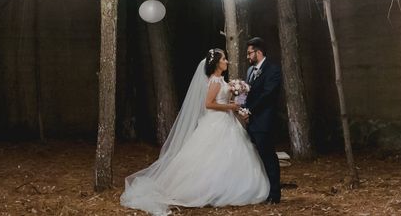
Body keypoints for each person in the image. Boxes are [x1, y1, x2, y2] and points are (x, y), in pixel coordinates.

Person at [120, 49, 269, 216]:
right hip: (215, 123)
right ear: (216, 63)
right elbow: (209, 104)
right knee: (211, 158)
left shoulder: (223, 81)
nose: (227, 62)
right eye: (224, 59)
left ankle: (224, 188)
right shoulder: (214, 81)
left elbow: (231, 102)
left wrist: (240, 99)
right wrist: (231, 106)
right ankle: (209, 190)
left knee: (231, 156)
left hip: (228, 121)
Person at [241, 36, 282, 204]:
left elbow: (267, 95)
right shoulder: (250, 71)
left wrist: (249, 110)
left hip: (264, 121)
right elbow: (246, 95)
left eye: (250, 53)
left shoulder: (273, 70)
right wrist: (240, 107)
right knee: (254, 158)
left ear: (258, 52)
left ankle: (274, 194)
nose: (248, 56)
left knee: (268, 157)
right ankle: (260, 191)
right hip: (250, 122)